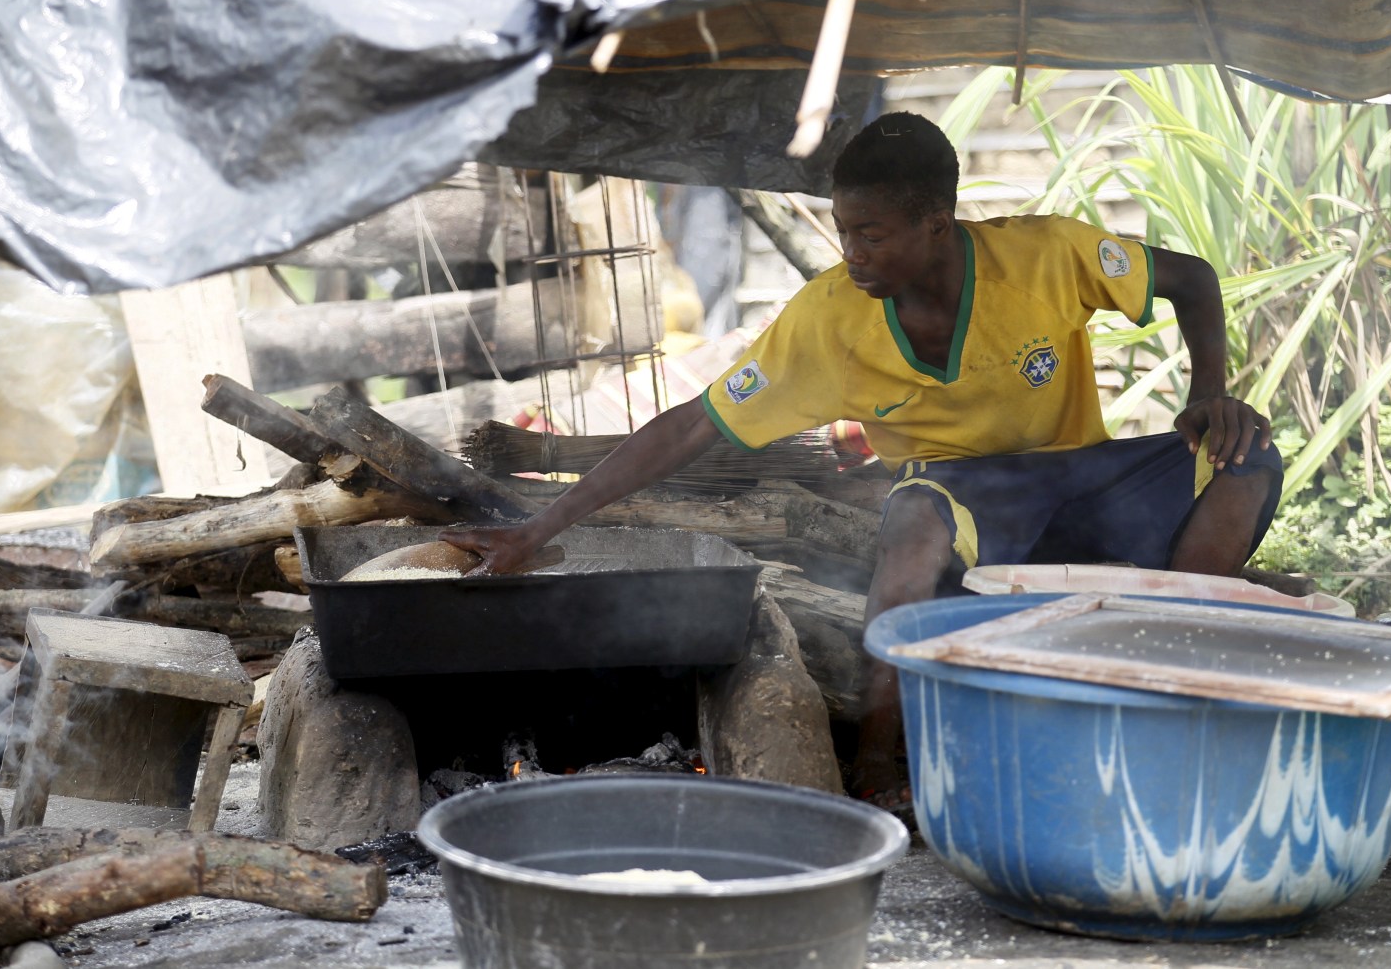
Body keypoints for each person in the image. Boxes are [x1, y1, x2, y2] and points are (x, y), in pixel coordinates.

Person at [442, 111, 1282, 812]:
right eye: (845, 231)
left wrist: (1210, 393)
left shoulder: (1045, 256)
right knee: (912, 518)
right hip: (961, 497)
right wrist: (537, 529)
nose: (852, 252)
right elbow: (693, 425)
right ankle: (877, 765)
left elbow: (1191, 279)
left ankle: (1175, 687)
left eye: (871, 234)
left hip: (1082, 473)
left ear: (935, 224)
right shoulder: (829, 320)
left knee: (1246, 458)